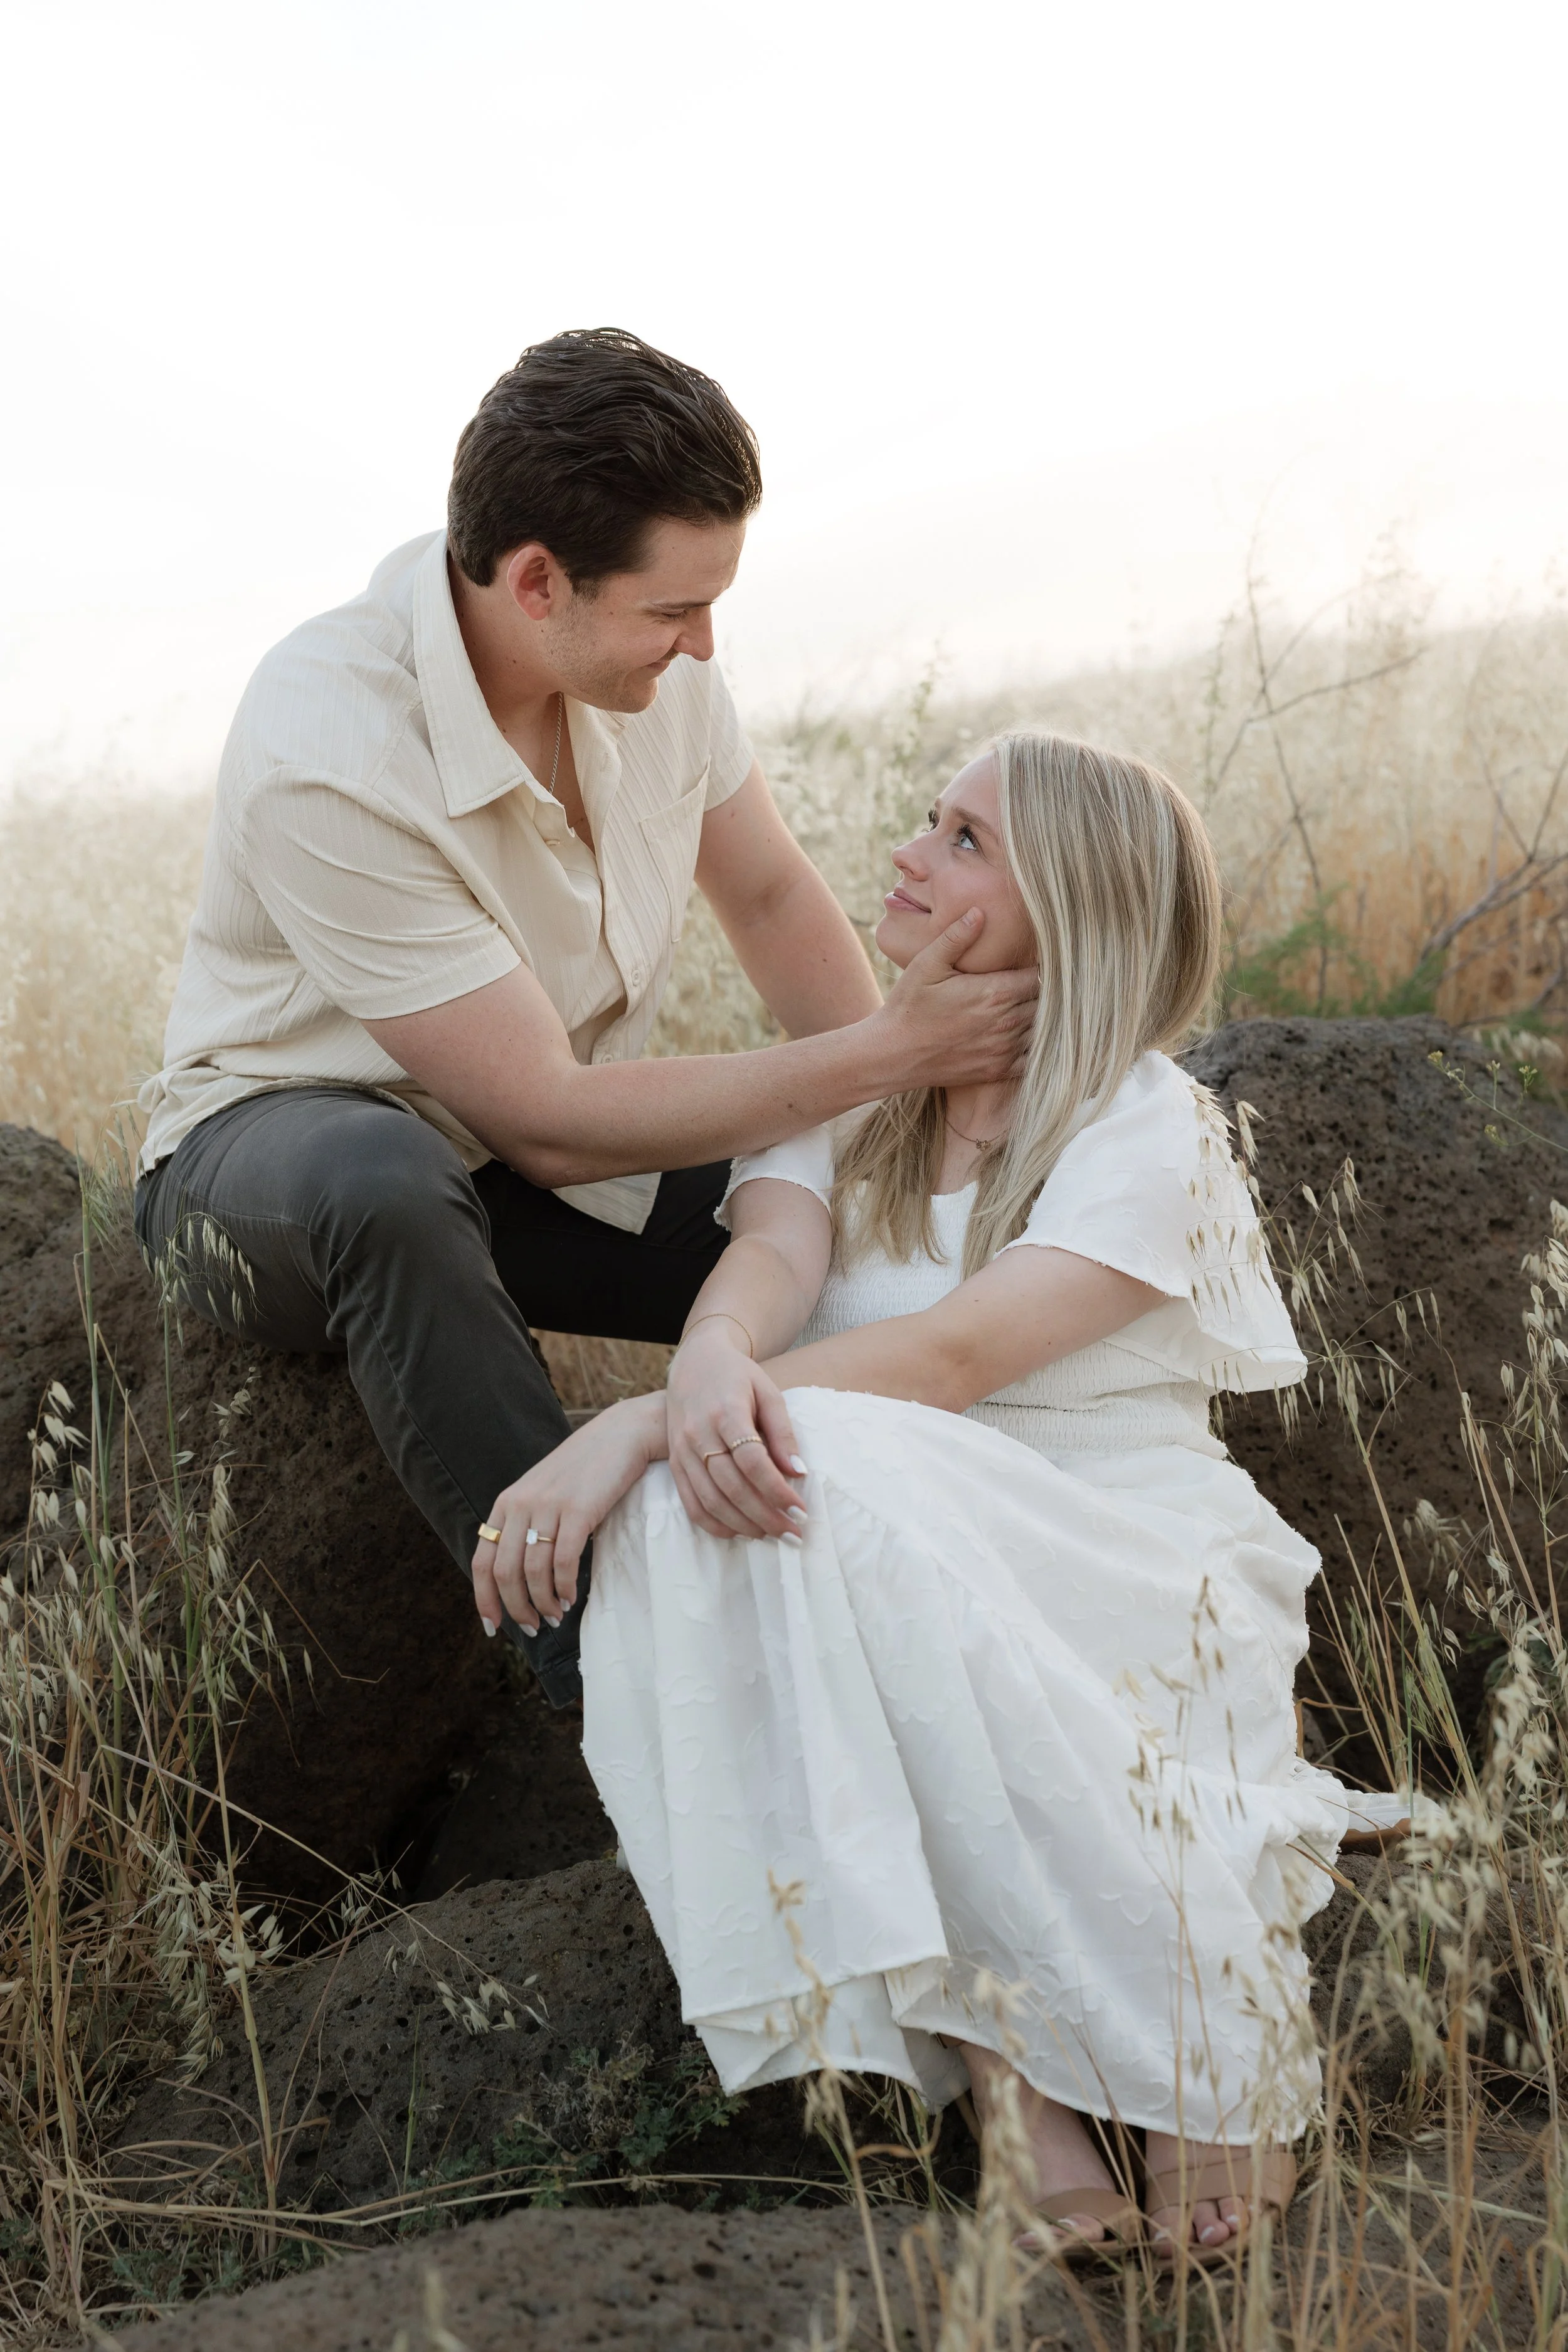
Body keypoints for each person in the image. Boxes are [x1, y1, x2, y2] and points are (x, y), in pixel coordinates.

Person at [471, 730, 1401, 2257]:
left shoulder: (1138, 1122)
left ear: (1070, 902)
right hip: (879, 1527)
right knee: (766, 1497)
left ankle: (1206, 2095)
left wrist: (643, 1420)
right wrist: (709, 1362)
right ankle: (1012, 2099)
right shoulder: (844, 1088)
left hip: (1111, 1534)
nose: (907, 855)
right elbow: (765, 1265)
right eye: (927, 820)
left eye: (964, 839)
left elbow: (961, 1355)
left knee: (784, 1465)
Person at [133, 329, 1034, 1708]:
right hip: (275, 1172)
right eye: (675, 610)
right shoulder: (329, 739)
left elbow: (775, 893)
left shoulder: (648, 676)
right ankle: (611, 1682)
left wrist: (907, 1122)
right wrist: (885, 1052)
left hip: (510, 1150)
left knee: (850, 1247)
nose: (706, 642)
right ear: (536, 580)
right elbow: (548, 1123)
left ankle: (949, 1598)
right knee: (387, 1182)